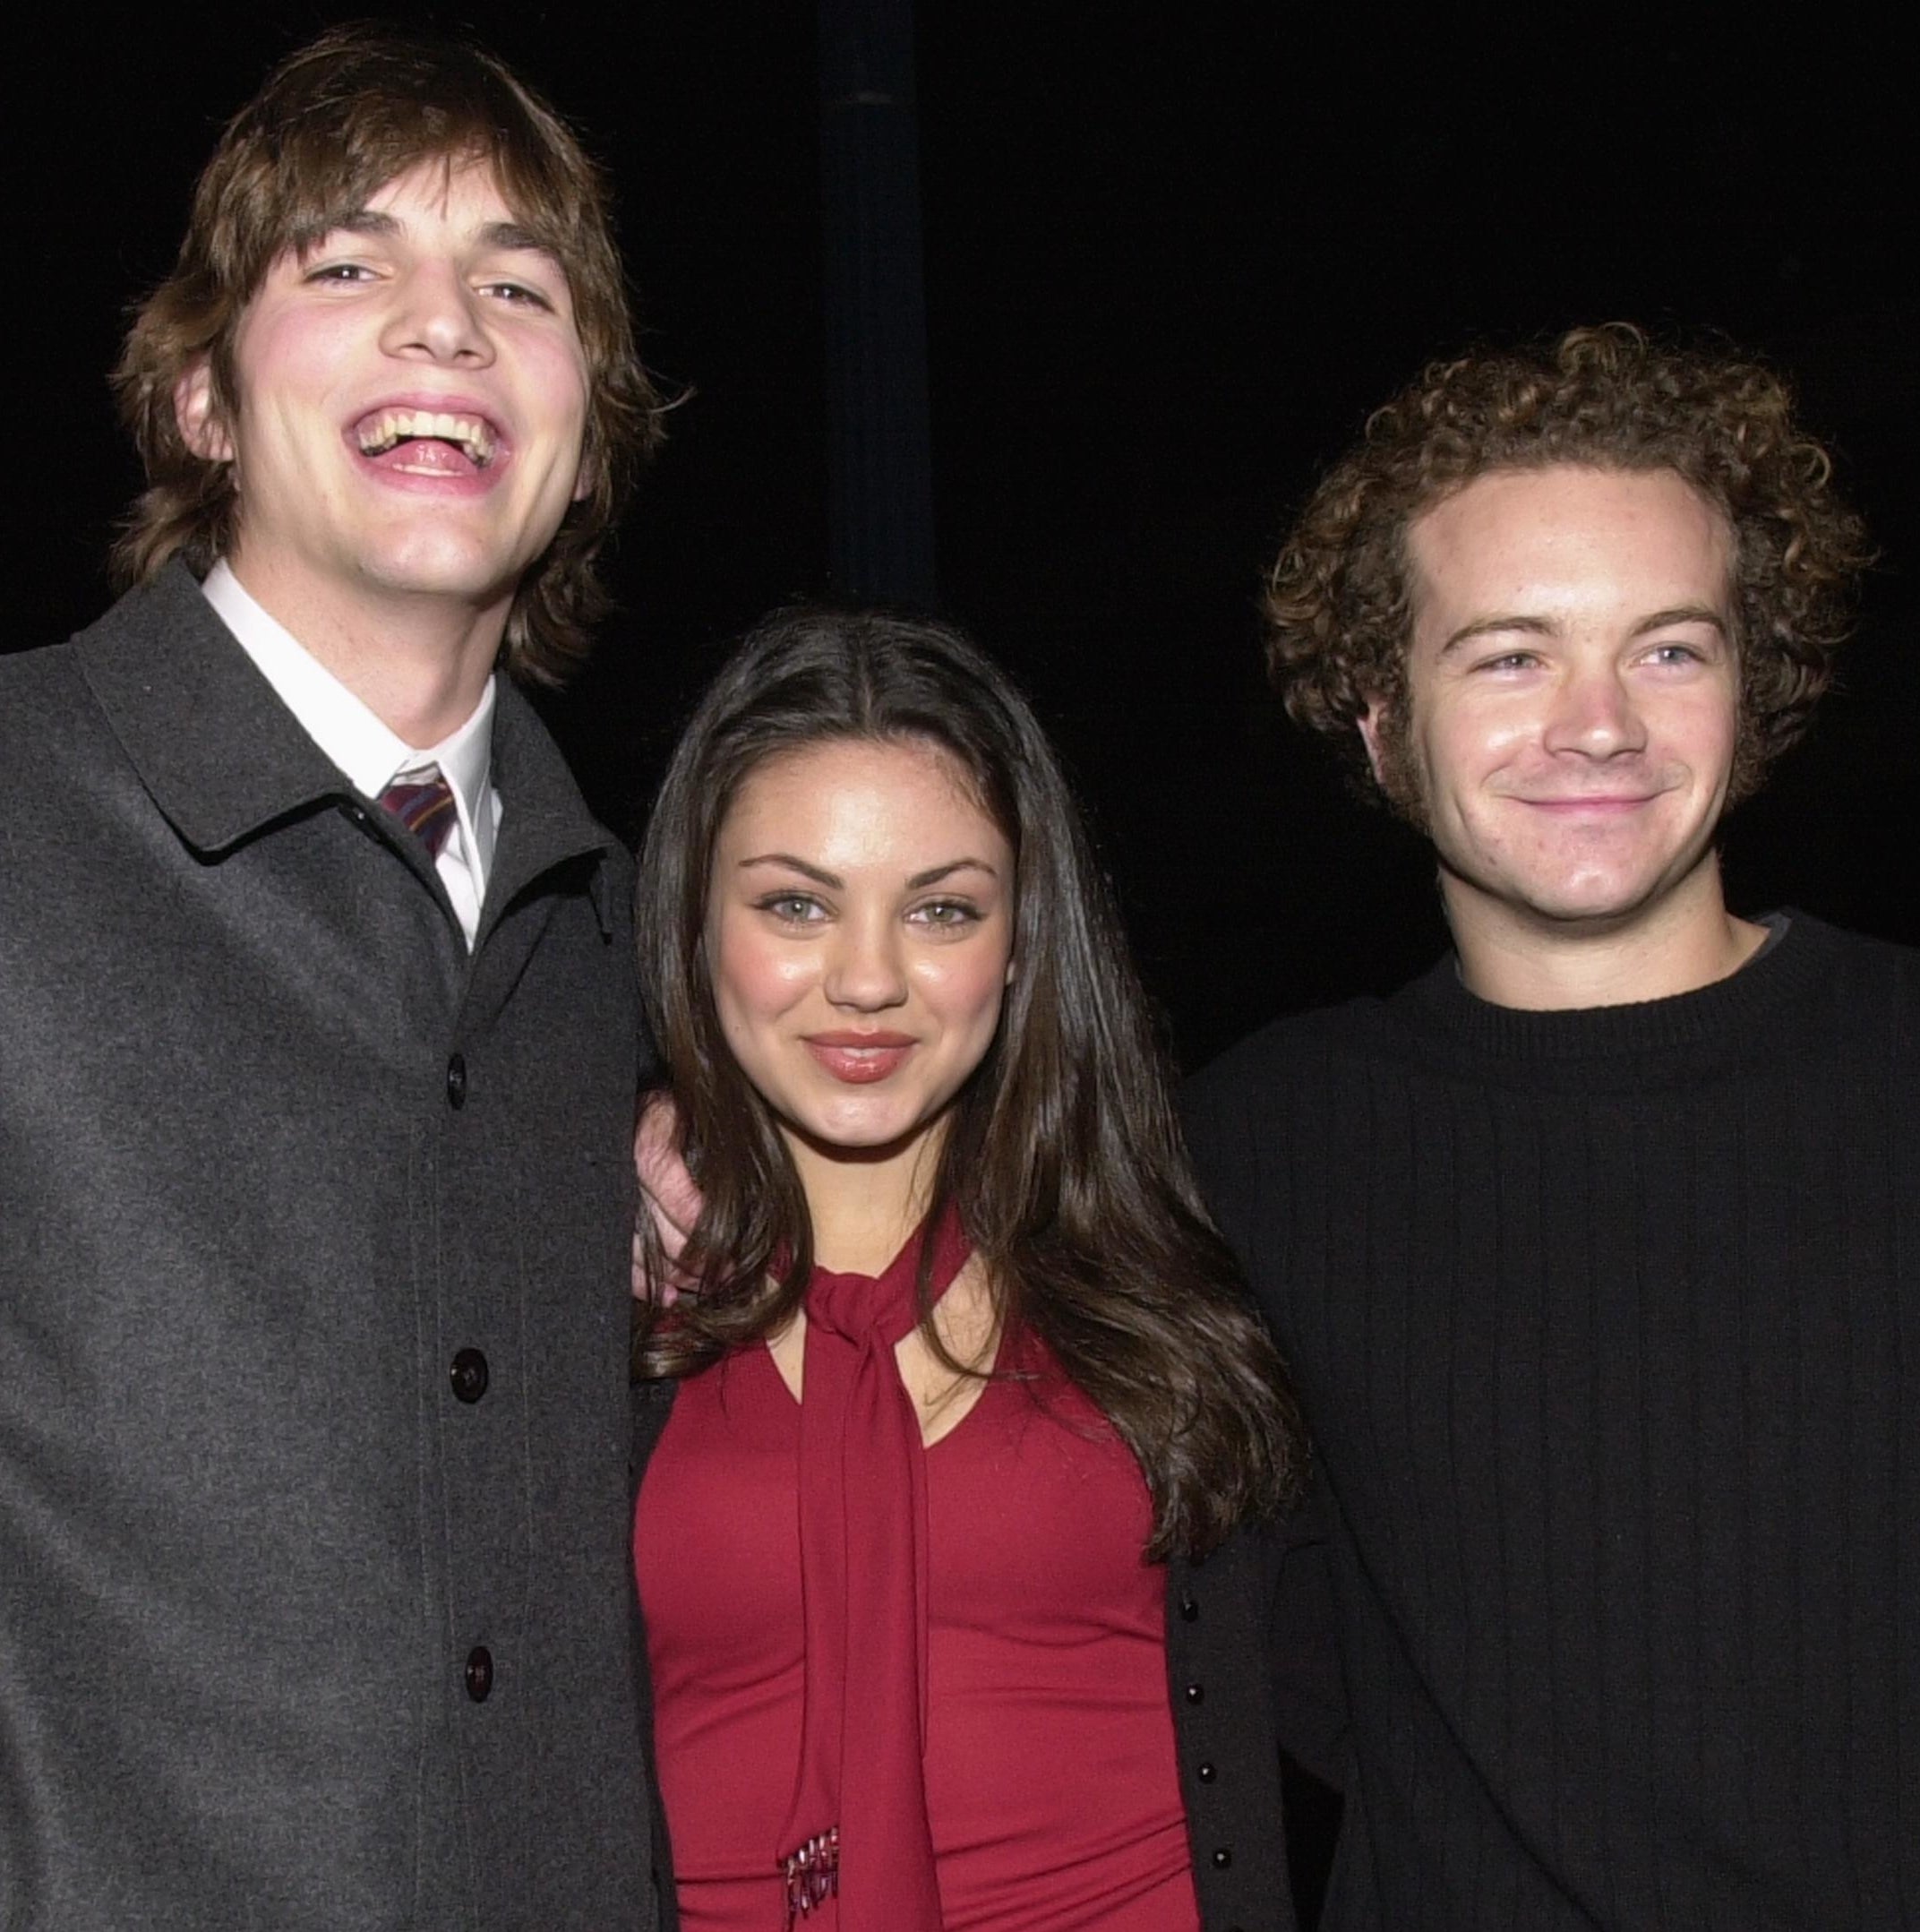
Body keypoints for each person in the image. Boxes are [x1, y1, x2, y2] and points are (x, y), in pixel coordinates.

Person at [0, 25, 666, 1928]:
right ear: (203, 396)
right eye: (350, 264)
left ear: (581, 432)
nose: (445, 325)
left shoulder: (644, 948)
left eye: (517, 284)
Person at [1184, 323, 1915, 1928]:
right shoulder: (1251, 1142)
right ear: (1381, 721)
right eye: (1511, 654)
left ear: (1757, 683)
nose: (1600, 723)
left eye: (1668, 648)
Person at [628, 606, 1323, 1932]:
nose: (870, 977)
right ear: (695, 920)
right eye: (795, 903)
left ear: (1021, 940)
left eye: (942, 907)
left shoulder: (1190, 1261)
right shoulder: (583, 1303)